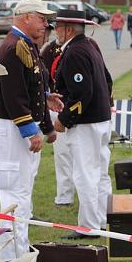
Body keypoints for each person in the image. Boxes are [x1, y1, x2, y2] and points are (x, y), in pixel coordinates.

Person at [0, 0, 62, 262]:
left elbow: (33, 84)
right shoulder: (13, 48)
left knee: (23, 190)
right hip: (10, 127)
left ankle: (20, 249)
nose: (45, 24)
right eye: (41, 18)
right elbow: (14, 95)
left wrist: (47, 98)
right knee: (13, 192)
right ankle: (11, 256)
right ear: (26, 17)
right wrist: (31, 130)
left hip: (15, 125)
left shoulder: (25, 46)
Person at [52, 9, 113, 239]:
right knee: (100, 173)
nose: (55, 31)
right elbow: (107, 80)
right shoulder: (90, 46)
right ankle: (104, 218)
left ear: (68, 29)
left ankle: (89, 226)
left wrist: (63, 120)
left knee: (85, 174)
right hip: (100, 118)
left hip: (87, 122)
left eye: (58, 27)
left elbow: (81, 93)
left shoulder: (75, 52)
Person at [40, 33, 75, 207]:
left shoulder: (83, 48)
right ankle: (64, 195)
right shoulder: (49, 50)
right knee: (62, 155)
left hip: (78, 109)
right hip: (58, 108)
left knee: (82, 157)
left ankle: (87, 196)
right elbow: (42, 79)